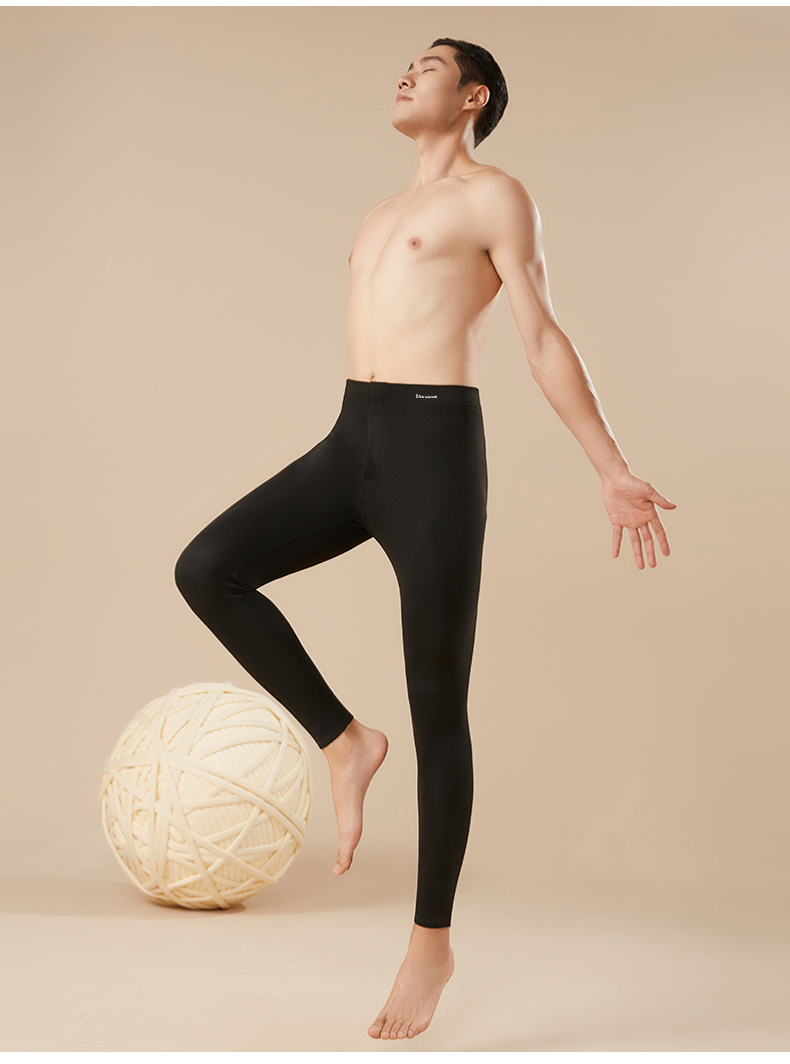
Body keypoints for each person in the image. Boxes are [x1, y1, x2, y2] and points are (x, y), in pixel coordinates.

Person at [174, 37, 677, 1040]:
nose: (407, 73)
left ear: (474, 95)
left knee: (438, 698)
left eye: (431, 64)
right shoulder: (377, 213)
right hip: (349, 439)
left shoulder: (496, 197)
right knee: (208, 568)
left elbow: (540, 334)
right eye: (406, 63)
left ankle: (430, 942)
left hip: (433, 452)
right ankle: (345, 740)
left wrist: (609, 465)